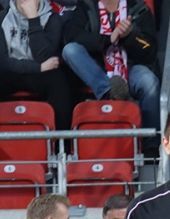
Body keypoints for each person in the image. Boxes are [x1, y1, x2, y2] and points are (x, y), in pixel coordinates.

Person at [61, 0, 160, 137]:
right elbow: (72, 36)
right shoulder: (86, 7)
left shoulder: (139, 9)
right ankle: (109, 91)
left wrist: (129, 36)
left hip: (130, 68)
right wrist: (107, 39)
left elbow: (150, 51)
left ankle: (151, 144)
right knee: (70, 50)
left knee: (149, 82)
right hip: (96, 69)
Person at [0, 0, 72, 129]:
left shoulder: (52, 18)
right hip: (16, 70)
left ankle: (61, 139)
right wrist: (38, 67)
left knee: (59, 81)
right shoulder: (0, 18)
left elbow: (42, 55)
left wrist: (33, 19)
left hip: (43, 74)